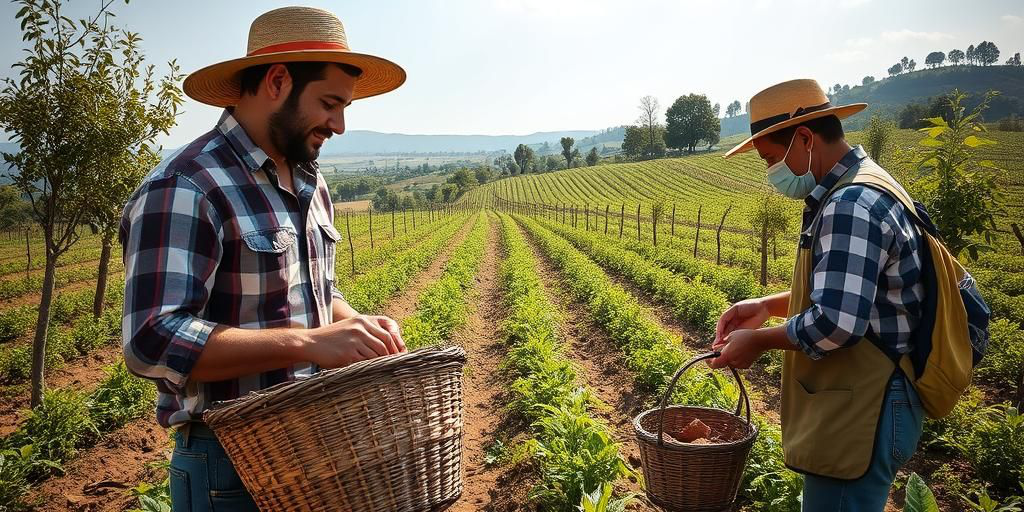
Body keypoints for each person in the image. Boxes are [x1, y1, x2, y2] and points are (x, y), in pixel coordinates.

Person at [119, 7, 407, 511]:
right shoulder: (187, 186)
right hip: (229, 466)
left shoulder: (309, 181)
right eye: (330, 103)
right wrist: (309, 343)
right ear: (277, 81)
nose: (339, 124)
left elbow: (311, 289)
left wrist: (356, 325)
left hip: (314, 446)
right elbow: (151, 339)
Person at [709, 79, 926, 511]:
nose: (771, 172)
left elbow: (836, 322)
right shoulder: (871, 184)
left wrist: (762, 339)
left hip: (866, 404)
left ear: (805, 138)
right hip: (871, 397)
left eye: (771, 158)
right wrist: (766, 306)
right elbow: (852, 288)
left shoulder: (850, 204)